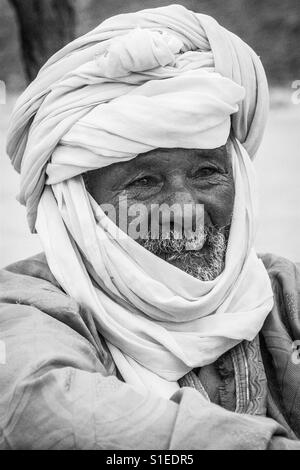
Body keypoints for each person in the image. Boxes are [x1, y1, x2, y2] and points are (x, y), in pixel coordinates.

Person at [1, 5, 300, 450]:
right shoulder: (25, 310)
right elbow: (46, 411)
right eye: (144, 181)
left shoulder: (281, 291)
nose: (184, 209)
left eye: (206, 173)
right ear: (79, 203)